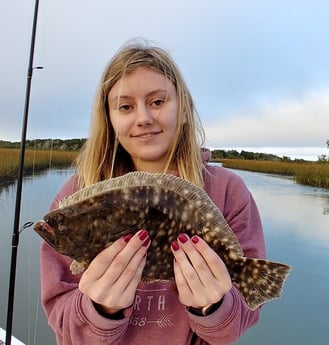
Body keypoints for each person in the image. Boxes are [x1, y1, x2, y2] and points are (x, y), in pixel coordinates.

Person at [40, 39, 266, 345]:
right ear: (109, 119)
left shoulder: (228, 191)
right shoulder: (77, 195)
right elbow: (65, 328)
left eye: (158, 102)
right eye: (125, 106)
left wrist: (211, 305)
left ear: (183, 110)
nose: (143, 118)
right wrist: (100, 309)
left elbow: (236, 324)